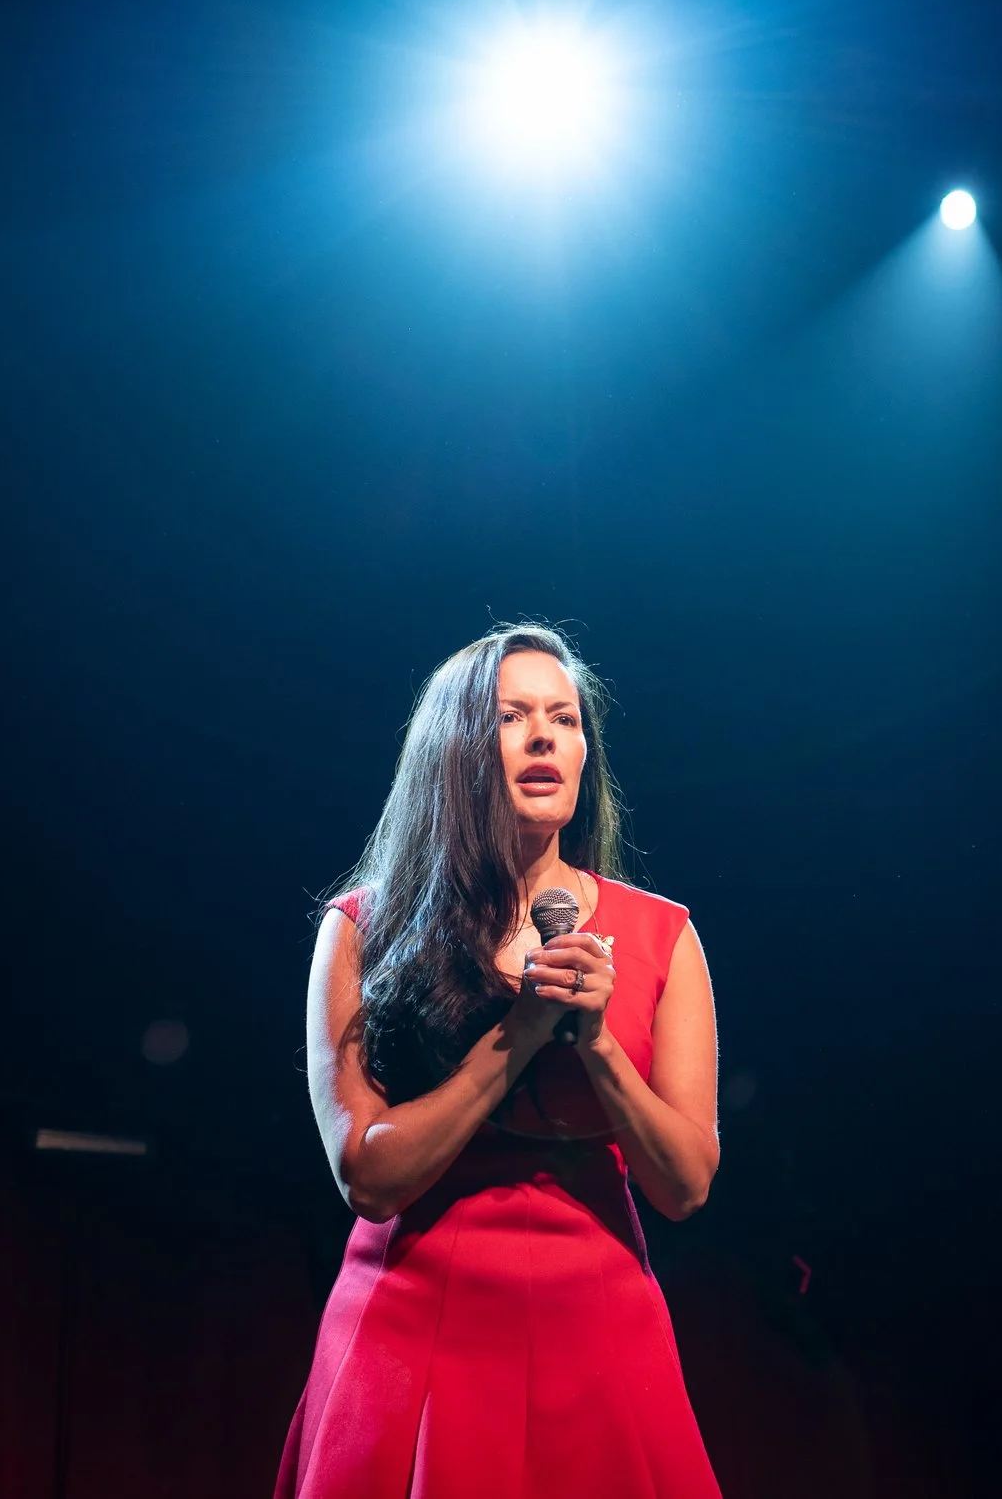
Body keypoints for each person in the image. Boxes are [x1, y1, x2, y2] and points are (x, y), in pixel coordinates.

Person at [274, 624, 723, 1497]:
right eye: (513, 716)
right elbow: (368, 1177)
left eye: (564, 717)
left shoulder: (662, 933)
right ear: (457, 750)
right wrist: (520, 1032)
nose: (544, 735)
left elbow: (686, 1185)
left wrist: (595, 1042)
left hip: (598, 1327)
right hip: (415, 1322)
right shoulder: (364, 928)